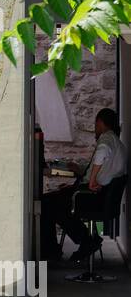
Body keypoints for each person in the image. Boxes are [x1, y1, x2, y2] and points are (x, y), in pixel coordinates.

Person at [41, 108, 127, 263]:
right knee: (57, 202)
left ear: (100, 123)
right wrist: (81, 170)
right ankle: (87, 239)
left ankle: (54, 251)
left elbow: (101, 153)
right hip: (102, 197)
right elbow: (105, 170)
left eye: (95, 125)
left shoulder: (106, 139)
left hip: (91, 196)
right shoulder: (118, 143)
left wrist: (91, 179)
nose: (95, 129)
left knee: (46, 203)